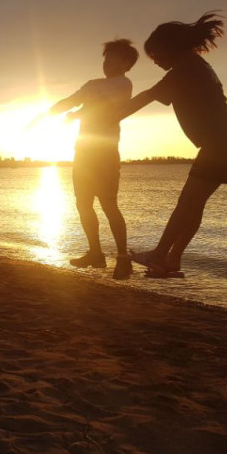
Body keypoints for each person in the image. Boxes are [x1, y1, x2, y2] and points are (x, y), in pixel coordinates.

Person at [115, 12, 227, 277]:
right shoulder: (196, 65)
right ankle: (172, 259)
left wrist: (106, 116)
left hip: (222, 142)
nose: (156, 61)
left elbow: (145, 97)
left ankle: (160, 254)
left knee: (187, 202)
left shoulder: (184, 71)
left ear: (170, 48)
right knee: (194, 203)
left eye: (156, 55)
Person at [49, 39, 139, 279]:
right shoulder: (92, 84)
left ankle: (123, 258)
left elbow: (103, 107)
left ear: (126, 63)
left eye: (114, 59)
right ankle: (95, 253)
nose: (107, 63)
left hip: (105, 153)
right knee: (83, 203)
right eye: (106, 59)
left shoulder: (123, 84)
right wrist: (55, 109)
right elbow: (72, 99)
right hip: (83, 151)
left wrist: (76, 114)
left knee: (109, 204)